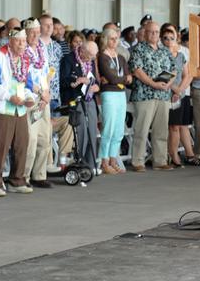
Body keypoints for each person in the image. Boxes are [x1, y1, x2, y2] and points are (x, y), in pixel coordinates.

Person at [0, 28, 35, 196]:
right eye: (18, 41)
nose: (22, 44)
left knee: (22, 145)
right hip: (4, 109)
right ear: (10, 41)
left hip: (20, 109)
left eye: (24, 41)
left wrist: (30, 97)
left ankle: (17, 181)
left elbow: (28, 85)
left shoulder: (25, 59)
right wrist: (9, 96)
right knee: (1, 147)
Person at [128, 21, 176, 172]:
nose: (154, 34)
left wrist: (168, 83)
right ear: (145, 33)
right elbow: (137, 70)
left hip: (163, 95)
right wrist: (153, 84)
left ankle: (160, 161)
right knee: (141, 130)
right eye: (151, 32)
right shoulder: (138, 49)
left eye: (156, 32)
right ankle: (138, 161)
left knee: (161, 130)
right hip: (144, 95)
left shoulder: (165, 50)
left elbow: (174, 69)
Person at [60, 41, 101, 174]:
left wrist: (96, 86)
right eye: (90, 56)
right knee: (82, 132)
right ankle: (81, 164)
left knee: (92, 132)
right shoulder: (68, 59)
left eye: (94, 56)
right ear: (82, 51)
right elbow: (63, 80)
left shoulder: (91, 60)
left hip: (89, 99)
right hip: (75, 100)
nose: (92, 59)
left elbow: (95, 80)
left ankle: (91, 165)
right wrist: (78, 79)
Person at [22, 19, 53, 188]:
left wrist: (46, 93)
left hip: (43, 97)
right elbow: (23, 76)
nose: (35, 35)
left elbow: (47, 73)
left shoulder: (42, 49)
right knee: (31, 139)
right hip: (30, 97)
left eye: (37, 31)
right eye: (31, 32)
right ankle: (24, 176)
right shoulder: (23, 50)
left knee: (44, 137)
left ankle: (39, 175)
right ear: (25, 33)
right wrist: (41, 94)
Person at [97, 27, 131, 174]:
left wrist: (118, 80)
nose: (115, 41)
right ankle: (104, 161)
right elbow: (112, 77)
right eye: (112, 38)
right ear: (105, 40)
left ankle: (113, 159)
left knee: (118, 129)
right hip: (109, 94)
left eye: (116, 38)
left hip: (120, 94)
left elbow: (129, 78)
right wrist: (120, 79)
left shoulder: (121, 57)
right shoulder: (102, 57)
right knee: (108, 128)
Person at [40, 14, 73, 165]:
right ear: (39, 27)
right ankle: (46, 165)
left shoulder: (58, 47)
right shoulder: (35, 46)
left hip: (55, 95)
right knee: (45, 130)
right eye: (46, 24)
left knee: (67, 124)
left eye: (51, 25)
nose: (49, 27)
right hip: (40, 95)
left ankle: (62, 163)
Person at [162, 27, 196, 168]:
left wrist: (179, 91)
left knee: (176, 126)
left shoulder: (181, 56)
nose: (169, 41)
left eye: (172, 38)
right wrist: (174, 89)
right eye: (165, 38)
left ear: (176, 39)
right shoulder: (161, 54)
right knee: (166, 126)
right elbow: (161, 75)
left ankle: (174, 154)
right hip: (164, 93)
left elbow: (186, 75)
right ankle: (166, 155)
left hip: (178, 95)